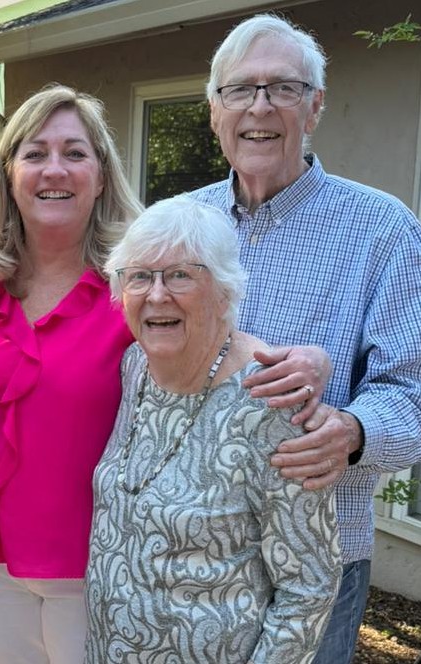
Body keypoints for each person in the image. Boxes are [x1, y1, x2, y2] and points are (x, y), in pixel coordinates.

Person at [0, 83, 331, 664]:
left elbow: (216, 341)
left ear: (102, 175)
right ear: (9, 174)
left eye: (75, 153)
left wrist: (310, 362)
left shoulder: (134, 287)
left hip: (100, 570)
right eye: (35, 153)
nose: (55, 169)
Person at [191, 13, 421, 663]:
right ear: (215, 111)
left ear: (314, 106)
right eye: (240, 89)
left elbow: (411, 391)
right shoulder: (180, 224)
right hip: (189, 550)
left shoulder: (382, 230)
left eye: (283, 88)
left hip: (315, 556)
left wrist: (351, 431)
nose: (259, 107)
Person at [85, 195, 342, 664]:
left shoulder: (270, 403)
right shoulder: (135, 366)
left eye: (181, 275)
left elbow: (308, 587)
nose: (156, 295)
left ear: (225, 291)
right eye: (139, 276)